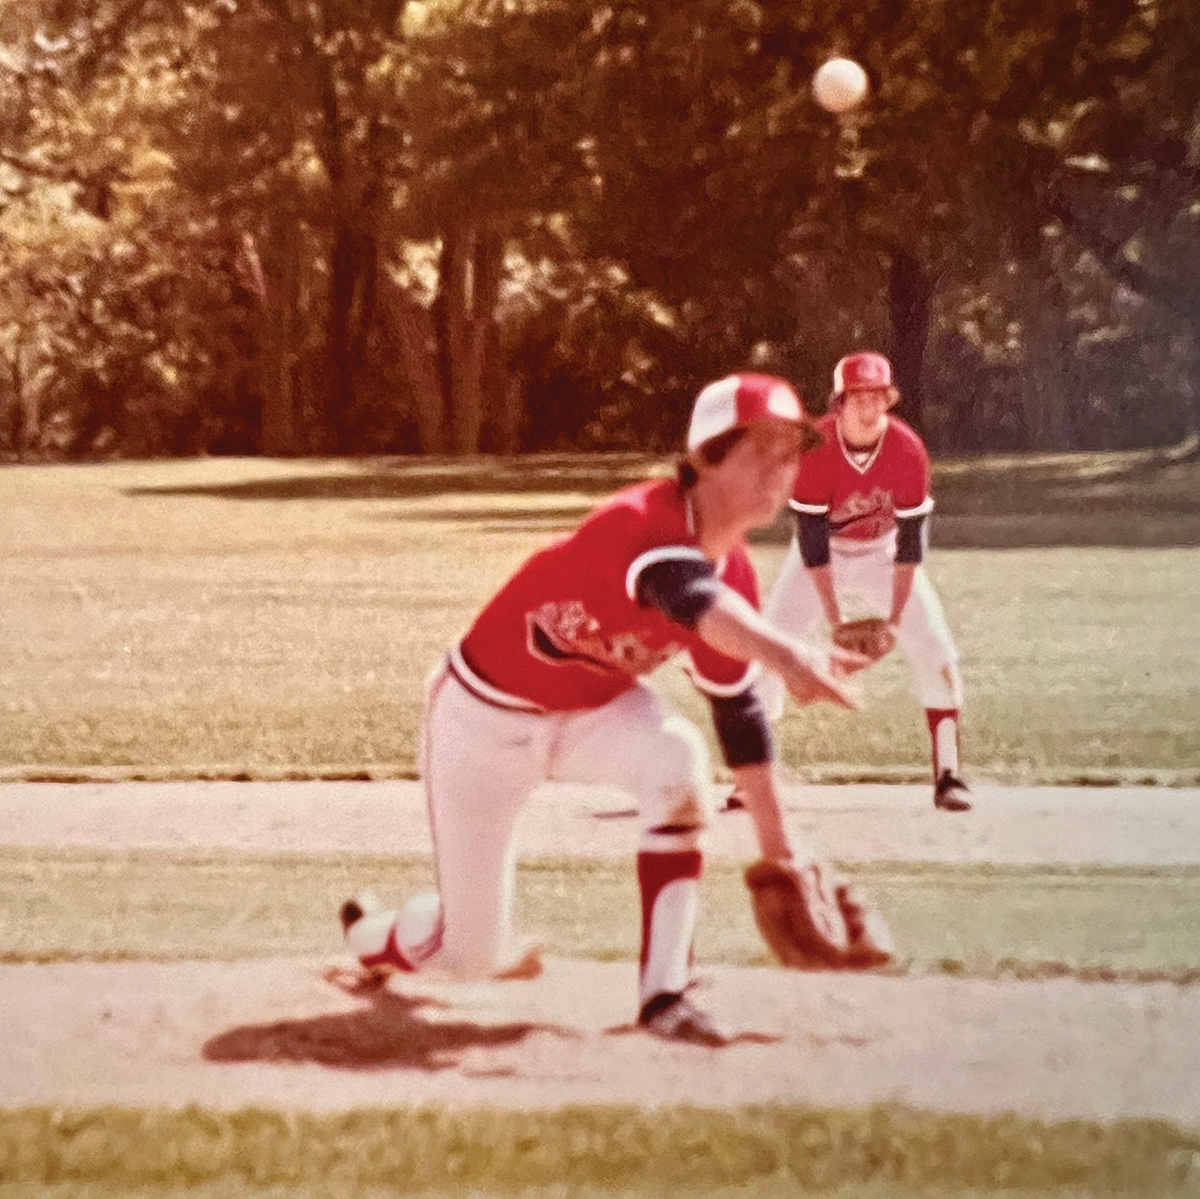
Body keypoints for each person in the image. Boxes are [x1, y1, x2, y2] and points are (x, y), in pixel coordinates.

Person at [340, 373, 867, 1046]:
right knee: (468, 956)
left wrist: (780, 850)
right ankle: (369, 933)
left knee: (679, 761)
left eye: (790, 449)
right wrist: (789, 656)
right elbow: (684, 594)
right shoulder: (641, 523)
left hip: (594, 714)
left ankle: (664, 995)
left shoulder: (736, 579)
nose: (779, 466)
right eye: (759, 447)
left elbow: (738, 714)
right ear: (706, 456)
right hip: (481, 720)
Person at [756, 351, 972, 812]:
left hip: (883, 550)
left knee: (934, 646)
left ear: (889, 400)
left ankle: (949, 774)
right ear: (840, 402)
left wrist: (893, 621)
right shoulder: (814, 446)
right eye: (858, 396)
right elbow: (813, 543)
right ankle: (753, 778)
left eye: (877, 396)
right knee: (770, 645)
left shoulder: (908, 450)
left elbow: (911, 544)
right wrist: (836, 621)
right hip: (824, 552)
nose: (868, 405)